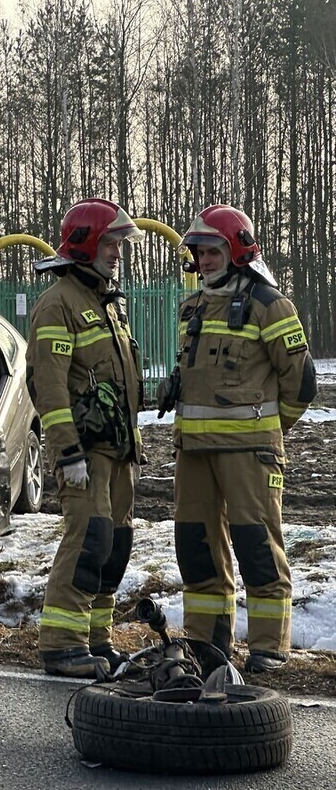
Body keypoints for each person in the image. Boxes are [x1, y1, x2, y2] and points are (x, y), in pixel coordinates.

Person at [166, 204, 317, 673]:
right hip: (194, 453)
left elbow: (302, 384)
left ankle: (270, 647)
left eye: (213, 251)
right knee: (196, 549)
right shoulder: (192, 307)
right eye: (198, 252)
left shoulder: (269, 304)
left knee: (256, 547)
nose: (204, 260)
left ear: (236, 251)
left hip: (248, 456)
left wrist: (268, 432)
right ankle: (207, 645)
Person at [26, 198, 146, 678]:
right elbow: (49, 387)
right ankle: (61, 643)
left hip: (118, 453)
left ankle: (97, 637)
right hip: (86, 454)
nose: (118, 253)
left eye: (119, 244)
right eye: (111, 243)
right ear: (87, 244)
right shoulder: (59, 304)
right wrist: (67, 453)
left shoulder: (104, 303)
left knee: (114, 545)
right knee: (88, 540)